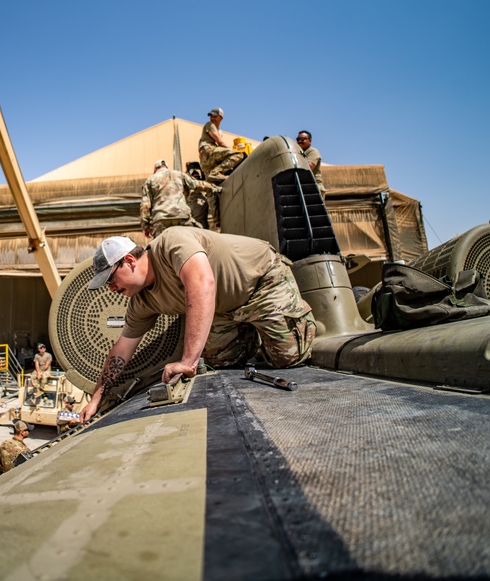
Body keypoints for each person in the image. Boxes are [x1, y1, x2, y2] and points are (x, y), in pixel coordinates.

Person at [82, 229, 315, 421]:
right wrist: (96, 398)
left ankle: (289, 323)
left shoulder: (170, 242)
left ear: (130, 261)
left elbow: (202, 282)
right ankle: (252, 333)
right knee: (221, 361)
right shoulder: (141, 301)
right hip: (224, 310)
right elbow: (122, 350)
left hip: (262, 282)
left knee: (288, 357)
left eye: (111, 279)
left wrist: (187, 362)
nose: (111, 288)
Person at [140, 160, 220, 238]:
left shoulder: (150, 180)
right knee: (195, 236)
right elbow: (196, 184)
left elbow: (145, 205)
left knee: (161, 246)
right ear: (167, 167)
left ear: (155, 169)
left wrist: (145, 226)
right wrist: (214, 188)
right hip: (182, 217)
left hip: (161, 219)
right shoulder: (178, 174)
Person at [198, 108, 245, 184]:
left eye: (215, 116)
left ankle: (215, 174)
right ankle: (215, 173)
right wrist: (232, 149)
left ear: (221, 118)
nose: (212, 118)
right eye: (211, 116)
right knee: (238, 154)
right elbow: (220, 142)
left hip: (207, 162)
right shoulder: (210, 125)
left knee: (214, 186)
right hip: (208, 152)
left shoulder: (219, 131)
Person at [296, 130, 325, 198]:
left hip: (314, 185)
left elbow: (309, 167)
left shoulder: (312, 152)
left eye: (303, 139)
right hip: (304, 186)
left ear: (310, 140)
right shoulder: (300, 152)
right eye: (298, 139)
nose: (300, 141)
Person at [185, 162, 211, 229]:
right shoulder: (186, 188)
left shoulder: (206, 186)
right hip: (191, 225)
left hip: (203, 224)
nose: (195, 175)